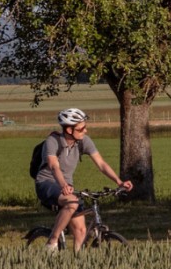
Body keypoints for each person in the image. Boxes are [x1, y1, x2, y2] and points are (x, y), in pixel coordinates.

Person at [34, 108, 133, 252]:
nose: (85, 131)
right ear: (69, 129)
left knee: (81, 230)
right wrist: (63, 185)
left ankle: (77, 263)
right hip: (47, 184)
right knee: (72, 202)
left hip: (67, 188)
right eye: (81, 128)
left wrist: (119, 182)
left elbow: (101, 164)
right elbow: (54, 166)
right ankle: (52, 242)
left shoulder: (83, 141)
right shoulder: (53, 141)